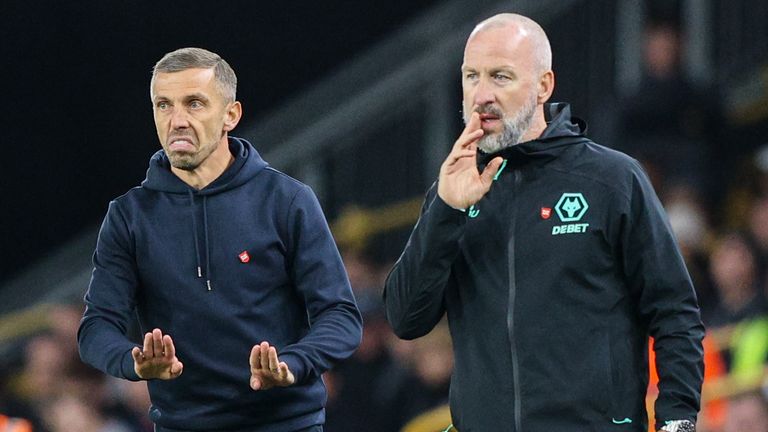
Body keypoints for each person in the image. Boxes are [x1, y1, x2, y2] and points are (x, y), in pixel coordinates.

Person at [383, 13, 704, 432]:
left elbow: (675, 311)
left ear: (543, 86)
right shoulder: (454, 191)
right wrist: (445, 211)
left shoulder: (611, 180)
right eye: (471, 77)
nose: (481, 95)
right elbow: (406, 319)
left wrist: (677, 422)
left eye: (500, 77)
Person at [78, 47, 362, 432]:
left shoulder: (286, 200)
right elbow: (95, 328)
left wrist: (293, 365)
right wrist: (133, 362)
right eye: (164, 105)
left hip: (285, 423)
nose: (176, 120)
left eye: (194, 103)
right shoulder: (130, 216)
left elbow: (340, 316)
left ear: (231, 114)